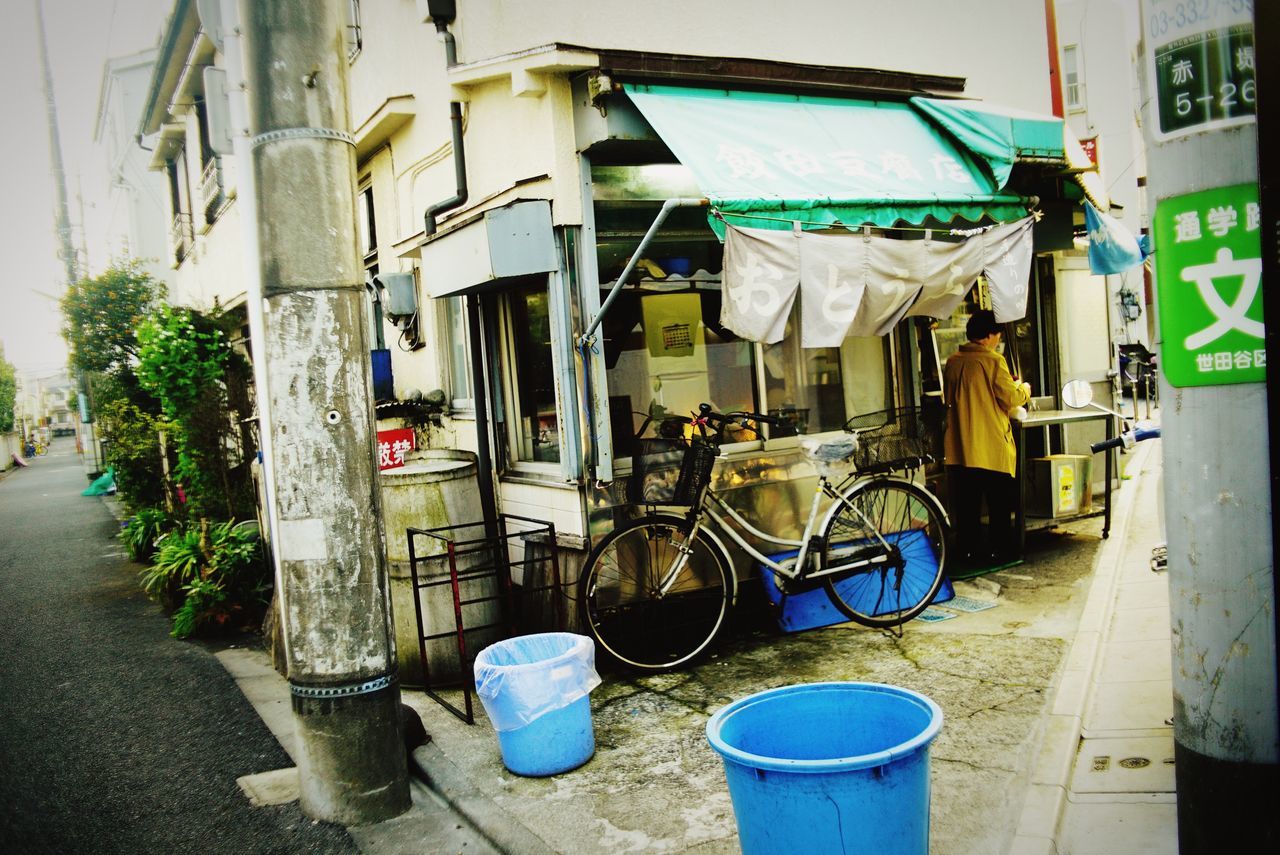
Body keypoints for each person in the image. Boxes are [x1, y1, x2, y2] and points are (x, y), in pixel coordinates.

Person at [943, 309, 1031, 566]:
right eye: (997, 335)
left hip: (960, 446)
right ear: (990, 335)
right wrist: (1023, 389)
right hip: (990, 444)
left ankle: (969, 553)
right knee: (999, 504)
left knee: (967, 506)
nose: (998, 340)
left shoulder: (953, 361)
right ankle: (1000, 552)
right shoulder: (993, 361)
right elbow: (1010, 397)